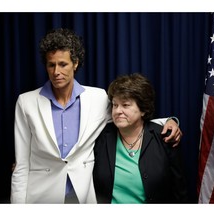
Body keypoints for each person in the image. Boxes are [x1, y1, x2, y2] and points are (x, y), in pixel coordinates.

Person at [10, 28, 182, 204]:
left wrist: (166, 122)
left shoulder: (97, 97)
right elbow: (21, 164)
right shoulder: (26, 102)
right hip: (41, 196)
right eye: (51, 65)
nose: (56, 72)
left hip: (83, 195)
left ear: (75, 63)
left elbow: (128, 116)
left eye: (63, 64)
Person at [93, 73, 188, 203]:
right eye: (115, 105)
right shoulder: (100, 137)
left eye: (125, 105)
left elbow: (179, 191)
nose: (117, 111)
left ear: (143, 109)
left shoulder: (165, 137)